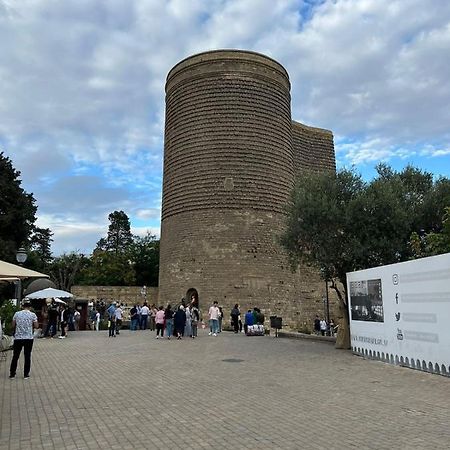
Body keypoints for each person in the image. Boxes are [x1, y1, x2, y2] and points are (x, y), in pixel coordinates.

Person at [9, 300, 38, 379]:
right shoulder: (33, 315)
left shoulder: (17, 314)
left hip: (18, 337)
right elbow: (36, 326)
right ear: (30, 307)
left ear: (22, 306)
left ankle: (12, 373)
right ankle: (26, 374)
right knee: (27, 356)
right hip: (28, 338)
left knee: (15, 356)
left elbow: (13, 325)